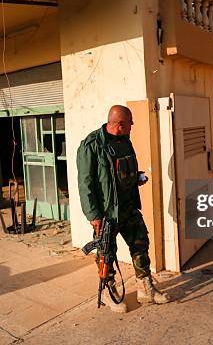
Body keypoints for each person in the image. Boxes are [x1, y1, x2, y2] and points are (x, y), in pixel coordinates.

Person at [77, 105, 170, 313]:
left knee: (140, 245)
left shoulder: (125, 141)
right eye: (130, 122)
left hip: (128, 207)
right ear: (119, 124)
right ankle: (111, 290)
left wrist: (135, 178)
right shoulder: (91, 145)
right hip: (106, 214)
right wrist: (93, 215)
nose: (132, 126)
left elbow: (120, 173)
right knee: (106, 254)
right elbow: (85, 184)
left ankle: (145, 289)